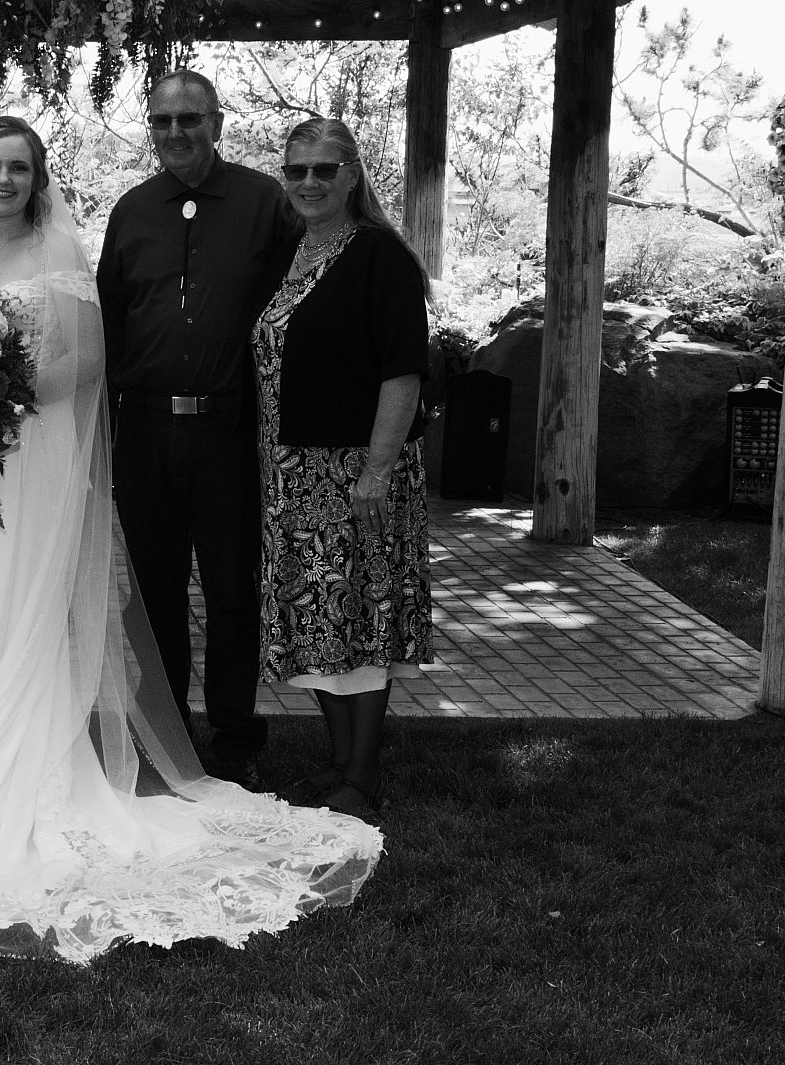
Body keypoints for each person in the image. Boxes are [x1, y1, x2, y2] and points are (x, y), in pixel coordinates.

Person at [0, 116, 381, 965]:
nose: (3, 179)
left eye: (19, 166)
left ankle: (35, 763)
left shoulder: (62, 250)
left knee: (25, 606)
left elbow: (87, 360)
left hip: (33, 455)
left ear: (37, 177)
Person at [96, 70, 300, 791]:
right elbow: (111, 323)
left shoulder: (265, 203)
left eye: (189, 119)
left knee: (231, 590)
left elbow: (297, 304)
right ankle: (168, 733)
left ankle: (236, 737)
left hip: (228, 433)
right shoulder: (131, 211)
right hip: (146, 431)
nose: (175, 132)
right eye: (162, 121)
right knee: (152, 594)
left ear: (216, 122)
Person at [253, 117, 434, 821]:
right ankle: (339, 761)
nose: (308, 182)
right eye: (295, 170)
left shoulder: (381, 256)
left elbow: (402, 373)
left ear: (352, 175)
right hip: (293, 473)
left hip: (356, 473)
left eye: (323, 169)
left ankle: (361, 774)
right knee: (316, 617)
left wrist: (376, 472)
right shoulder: (291, 252)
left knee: (361, 615)